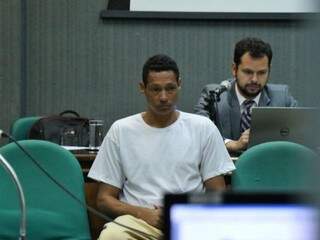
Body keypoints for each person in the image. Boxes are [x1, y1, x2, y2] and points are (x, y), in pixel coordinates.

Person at [88, 54, 235, 240]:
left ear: (179, 84)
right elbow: (104, 199)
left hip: (190, 220)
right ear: (142, 88)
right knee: (112, 236)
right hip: (138, 221)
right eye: (155, 89)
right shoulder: (121, 130)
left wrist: (182, 212)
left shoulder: (203, 128)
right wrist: (143, 213)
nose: (164, 97)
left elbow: (217, 192)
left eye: (170, 88)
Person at [194, 37, 297, 153]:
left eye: (262, 73)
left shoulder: (282, 98)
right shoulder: (214, 95)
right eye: (248, 72)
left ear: (269, 70)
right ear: (234, 69)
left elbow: (301, 135)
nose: (254, 79)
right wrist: (231, 144)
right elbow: (199, 132)